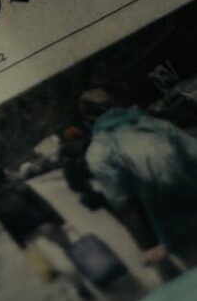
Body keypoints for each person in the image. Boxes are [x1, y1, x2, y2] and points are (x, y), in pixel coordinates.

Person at [80, 88, 197, 272]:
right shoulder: (153, 123)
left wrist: (148, 245)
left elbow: (124, 202)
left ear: (88, 119)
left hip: (174, 228)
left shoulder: (98, 150)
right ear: (115, 103)